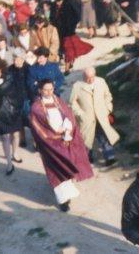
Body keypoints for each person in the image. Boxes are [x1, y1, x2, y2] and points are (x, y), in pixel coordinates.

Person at [30, 79, 93, 211]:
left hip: (65, 138)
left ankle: (67, 194)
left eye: (51, 89)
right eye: (46, 90)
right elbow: (40, 128)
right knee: (55, 169)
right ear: (40, 90)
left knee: (66, 166)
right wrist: (57, 133)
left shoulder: (58, 101)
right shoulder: (36, 107)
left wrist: (67, 131)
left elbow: (69, 115)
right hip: (50, 144)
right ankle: (62, 200)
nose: (49, 92)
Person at [69, 67, 119, 166]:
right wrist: (80, 114)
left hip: (101, 116)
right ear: (84, 77)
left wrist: (108, 109)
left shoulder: (101, 82)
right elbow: (72, 103)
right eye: (88, 77)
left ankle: (110, 157)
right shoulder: (77, 86)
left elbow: (107, 96)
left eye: (92, 77)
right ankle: (87, 158)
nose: (90, 79)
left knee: (104, 136)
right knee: (87, 138)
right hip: (87, 118)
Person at [51, 0, 93, 74]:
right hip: (58, 31)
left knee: (68, 49)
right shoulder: (54, 6)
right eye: (56, 1)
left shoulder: (70, 5)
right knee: (63, 49)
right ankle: (70, 61)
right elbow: (52, 17)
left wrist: (71, 25)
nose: (57, 3)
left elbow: (77, 16)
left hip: (68, 31)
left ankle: (67, 68)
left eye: (59, 1)